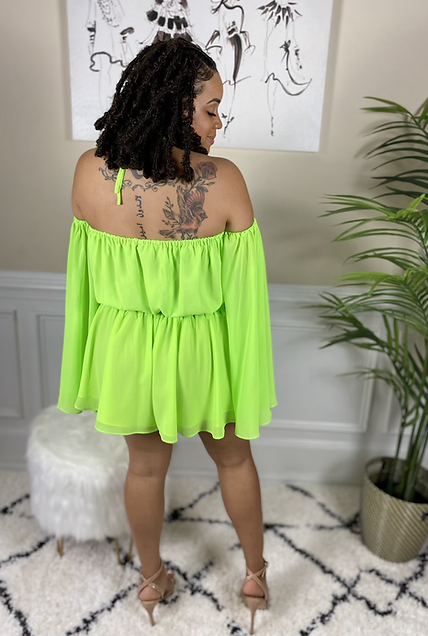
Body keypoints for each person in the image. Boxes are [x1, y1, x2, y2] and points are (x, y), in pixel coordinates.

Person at [57, 38, 277, 634]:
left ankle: (151, 581)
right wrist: (240, 371)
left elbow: (85, 283)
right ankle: (255, 576)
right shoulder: (224, 181)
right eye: (211, 109)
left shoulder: (88, 171)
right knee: (235, 459)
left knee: (145, 470)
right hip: (203, 352)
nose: (217, 123)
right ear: (179, 105)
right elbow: (243, 297)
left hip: (128, 352)